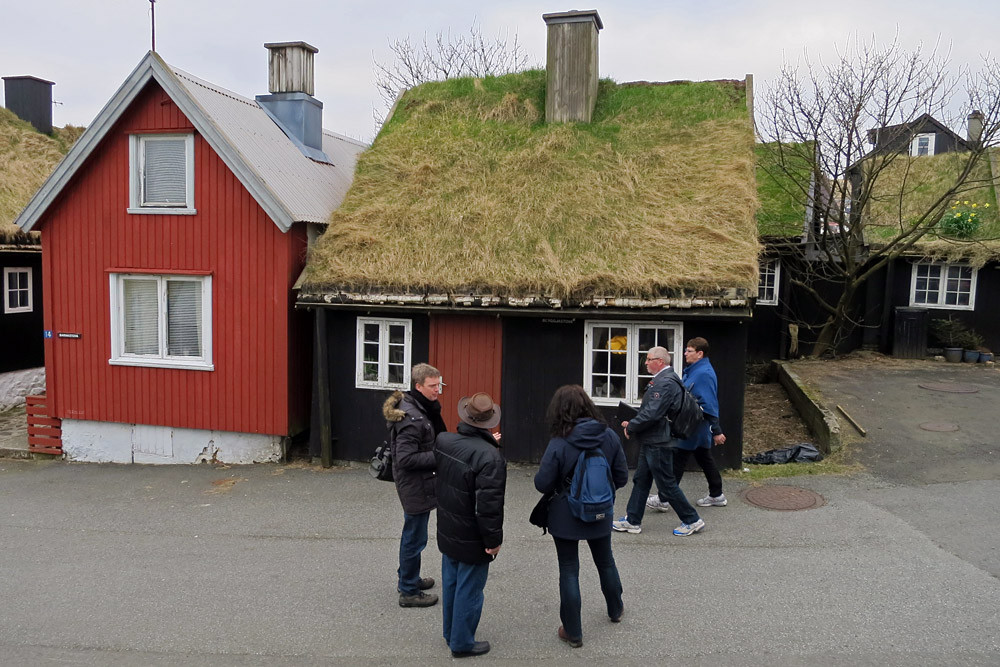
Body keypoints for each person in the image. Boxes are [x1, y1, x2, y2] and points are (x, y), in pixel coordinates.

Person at [534, 385, 628, 649]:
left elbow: (542, 484)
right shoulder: (608, 436)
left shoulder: (559, 442)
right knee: (605, 561)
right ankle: (615, 609)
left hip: (565, 515)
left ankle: (573, 631)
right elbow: (621, 477)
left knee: (569, 569)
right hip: (600, 512)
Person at [434, 392, 507, 659]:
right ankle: (462, 642)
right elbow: (488, 506)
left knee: (451, 581)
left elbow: (465, 459)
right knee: (470, 589)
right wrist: (493, 541)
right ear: (489, 423)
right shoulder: (490, 458)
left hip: (448, 526)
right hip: (472, 534)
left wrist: (488, 445)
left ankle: (450, 633)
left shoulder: (444, 441)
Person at [612, 346, 705, 536]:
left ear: (660, 361)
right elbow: (653, 411)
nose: (645, 362)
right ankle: (632, 520)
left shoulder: (664, 383)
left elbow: (652, 413)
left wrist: (631, 426)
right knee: (641, 479)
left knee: (666, 483)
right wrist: (634, 422)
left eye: (648, 359)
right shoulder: (667, 379)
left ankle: (692, 520)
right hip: (653, 439)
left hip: (659, 441)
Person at [382, 363, 447, 608]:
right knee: (415, 537)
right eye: (433, 386)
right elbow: (406, 459)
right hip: (415, 484)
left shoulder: (419, 406)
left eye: (439, 385)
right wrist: (440, 456)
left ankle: (408, 578)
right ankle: (408, 591)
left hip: (420, 482)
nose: (437, 390)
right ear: (418, 386)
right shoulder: (412, 417)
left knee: (414, 534)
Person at [647, 337, 727, 512]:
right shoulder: (696, 370)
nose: (685, 354)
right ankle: (717, 494)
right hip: (696, 426)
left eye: (689, 351)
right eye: (686, 350)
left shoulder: (703, 373)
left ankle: (664, 498)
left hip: (692, 426)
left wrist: (716, 430)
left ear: (700, 353)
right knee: (704, 459)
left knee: (677, 460)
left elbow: (709, 403)